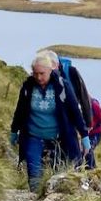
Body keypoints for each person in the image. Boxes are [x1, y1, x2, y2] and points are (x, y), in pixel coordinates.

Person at [10, 54, 91, 191]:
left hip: (59, 138)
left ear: (50, 70)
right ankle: (34, 197)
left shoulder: (62, 86)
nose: (38, 77)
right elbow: (20, 110)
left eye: (42, 73)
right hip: (33, 135)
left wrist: (84, 135)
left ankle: (49, 198)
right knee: (34, 171)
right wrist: (14, 130)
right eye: (35, 73)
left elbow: (74, 112)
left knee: (58, 172)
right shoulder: (28, 87)